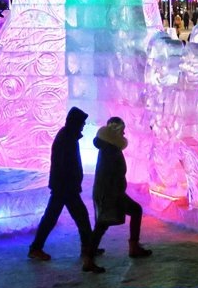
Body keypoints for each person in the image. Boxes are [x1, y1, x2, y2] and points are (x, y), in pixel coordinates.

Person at [29, 107, 97, 264]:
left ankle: (87, 246)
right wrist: (71, 184)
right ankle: (87, 247)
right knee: (78, 216)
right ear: (75, 122)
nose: (83, 126)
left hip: (64, 187)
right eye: (82, 123)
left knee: (57, 217)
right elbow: (65, 165)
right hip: (65, 188)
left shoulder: (68, 136)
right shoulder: (67, 138)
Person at [86, 117, 151, 271]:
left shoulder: (109, 147)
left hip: (110, 192)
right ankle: (89, 259)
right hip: (109, 194)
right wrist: (114, 196)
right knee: (103, 224)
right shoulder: (110, 150)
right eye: (122, 129)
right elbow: (111, 174)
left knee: (107, 222)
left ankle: (132, 247)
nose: (124, 132)